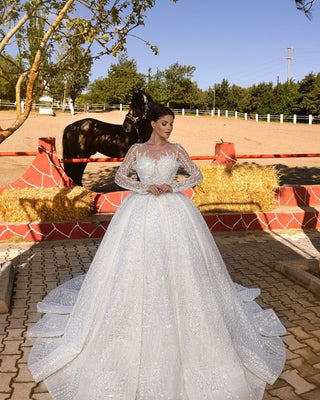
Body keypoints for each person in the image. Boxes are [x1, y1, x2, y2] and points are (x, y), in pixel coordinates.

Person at [28, 105, 286, 400]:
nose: (169, 128)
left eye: (171, 124)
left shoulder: (177, 149)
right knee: (135, 265)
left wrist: (173, 186)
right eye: (164, 123)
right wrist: (143, 187)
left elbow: (197, 175)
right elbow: (121, 177)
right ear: (152, 123)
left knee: (182, 265)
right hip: (140, 208)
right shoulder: (136, 150)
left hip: (175, 210)